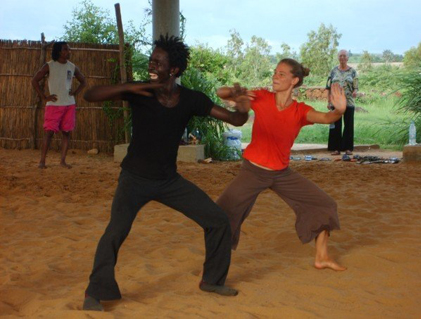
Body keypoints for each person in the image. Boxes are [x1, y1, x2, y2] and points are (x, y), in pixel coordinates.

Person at [82, 35, 250, 311]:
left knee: (218, 220)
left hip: (168, 181)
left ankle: (212, 280)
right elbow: (90, 96)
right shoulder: (141, 91)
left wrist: (242, 107)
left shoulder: (190, 99)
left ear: (173, 70)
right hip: (134, 179)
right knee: (116, 231)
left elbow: (234, 119)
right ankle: (94, 294)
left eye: (158, 62)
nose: (151, 64)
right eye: (151, 59)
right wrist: (138, 86)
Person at [216, 58, 347, 272]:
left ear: (294, 80)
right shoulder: (261, 97)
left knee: (324, 204)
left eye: (282, 74)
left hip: (281, 174)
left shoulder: (299, 111)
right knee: (224, 212)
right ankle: (214, 265)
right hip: (253, 171)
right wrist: (235, 91)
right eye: (275, 73)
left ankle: (322, 257)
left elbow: (325, 117)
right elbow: (221, 93)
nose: (275, 77)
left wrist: (339, 111)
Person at [32, 41, 86, 169]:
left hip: (69, 105)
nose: (69, 51)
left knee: (66, 133)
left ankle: (62, 161)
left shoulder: (72, 67)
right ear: (59, 52)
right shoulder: (49, 66)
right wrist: (44, 97)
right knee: (49, 133)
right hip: (54, 105)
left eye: (69, 49)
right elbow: (34, 80)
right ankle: (42, 161)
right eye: (65, 49)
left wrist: (75, 93)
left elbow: (83, 81)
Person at [327, 49, 358, 156]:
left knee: (348, 125)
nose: (342, 58)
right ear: (338, 57)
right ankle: (336, 148)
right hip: (336, 102)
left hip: (348, 102)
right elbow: (329, 87)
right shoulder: (333, 71)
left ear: (348, 58)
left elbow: (356, 87)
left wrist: (355, 91)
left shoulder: (353, 72)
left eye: (344, 56)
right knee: (336, 125)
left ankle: (348, 148)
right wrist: (329, 101)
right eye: (340, 56)